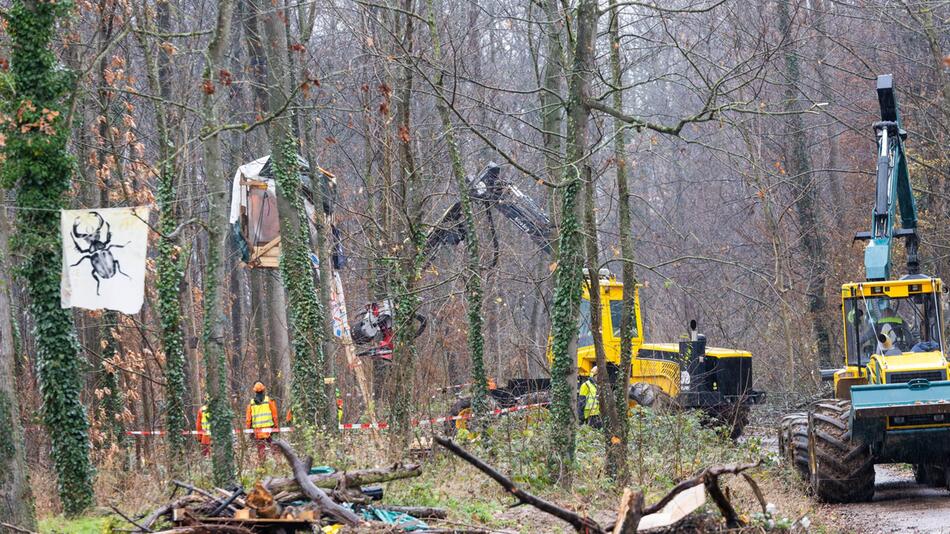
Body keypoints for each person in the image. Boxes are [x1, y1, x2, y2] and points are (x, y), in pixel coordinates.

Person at [245, 381, 278, 459]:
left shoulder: (251, 403)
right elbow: (275, 414)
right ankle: (279, 463)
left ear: (254, 391)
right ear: (264, 390)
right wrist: (276, 426)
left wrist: (249, 429)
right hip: (269, 430)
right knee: (273, 447)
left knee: (261, 449)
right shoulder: (269, 400)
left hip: (258, 431)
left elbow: (248, 418)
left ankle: (262, 467)